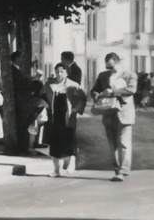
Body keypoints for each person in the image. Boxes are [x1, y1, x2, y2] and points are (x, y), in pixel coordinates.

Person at [90, 52, 137, 182]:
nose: (109, 70)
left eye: (111, 66)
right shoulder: (103, 76)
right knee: (112, 144)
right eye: (107, 67)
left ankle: (123, 170)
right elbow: (94, 89)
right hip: (108, 113)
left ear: (118, 62)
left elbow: (132, 90)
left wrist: (113, 92)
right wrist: (96, 95)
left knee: (123, 142)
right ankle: (117, 169)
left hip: (125, 113)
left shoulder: (129, 75)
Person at [44, 62, 87, 177]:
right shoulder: (50, 84)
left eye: (62, 71)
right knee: (54, 143)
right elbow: (42, 97)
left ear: (67, 73)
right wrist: (44, 106)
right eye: (57, 71)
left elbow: (82, 99)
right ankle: (56, 170)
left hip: (67, 117)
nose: (59, 74)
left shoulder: (73, 85)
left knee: (69, 140)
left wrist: (76, 109)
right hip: (54, 117)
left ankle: (71, 161)